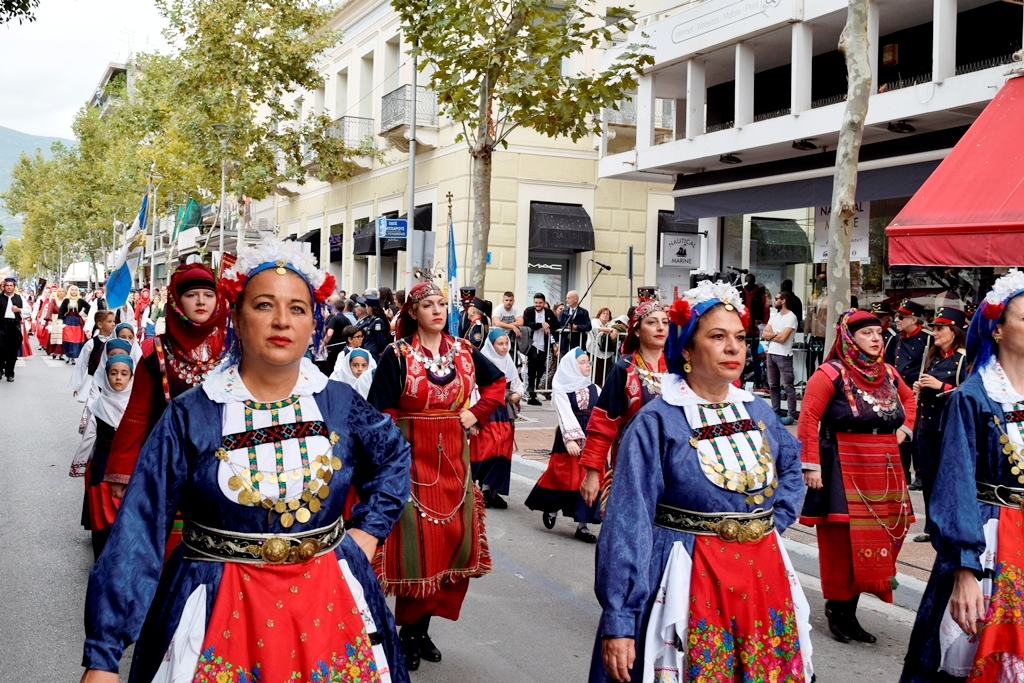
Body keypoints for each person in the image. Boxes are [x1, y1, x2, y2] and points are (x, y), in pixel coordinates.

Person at [80, 236, 412, 683]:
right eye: (263, 306)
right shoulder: (192, 414)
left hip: (330, 602)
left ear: (315, 324)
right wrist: (103, 655)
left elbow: (393, 456)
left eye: (298, 309)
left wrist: (367, 531)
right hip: (215, 603)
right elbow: (140, 524)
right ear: (235, 317)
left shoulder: (338, 403)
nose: (282, 321)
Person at [591, 279, 813, 683]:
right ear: (687, 349)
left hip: (760, 575)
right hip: (684, 574)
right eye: (717, 336)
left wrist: (768, 524)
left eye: (740, 338)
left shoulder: (757, 411)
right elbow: (628, 521)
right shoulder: (659, 421)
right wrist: (620, 618)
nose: (734, 348)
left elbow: (792, 467)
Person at [367, 280, 505, 672]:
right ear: (413, 312)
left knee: (447, 546)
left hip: (455, 466)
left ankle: (421, 630)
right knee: (417, 551)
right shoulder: (397, 354)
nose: (438, 310)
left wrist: (476, 413)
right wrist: (390, 456)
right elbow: (380, 412)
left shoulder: (464, 351)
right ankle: (406, 632)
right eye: (428, 305)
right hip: (412, 465)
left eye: (441, 304)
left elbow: (497, 384)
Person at [900, 270, 1024, 683]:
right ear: (999, 331)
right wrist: (964, 569)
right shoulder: (974, 396)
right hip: (992, 539)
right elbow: (956, 486)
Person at [798, 309, 917, 644]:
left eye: (879, 333)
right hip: (842, 466)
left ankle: (851, 608)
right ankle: (839, 610)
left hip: (885, 468)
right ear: (849, 339)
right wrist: (811, 465)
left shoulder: (889, 374)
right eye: (867, 334)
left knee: (880, 539)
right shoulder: (830, 373)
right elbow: (808, 417)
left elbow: (909, 399)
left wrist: (905, 429)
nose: (877, 339)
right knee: (842, 542)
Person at [102, 263, 229, 557]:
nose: (201, 301)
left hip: (229, 465)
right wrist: (121, 470)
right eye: (192, 295)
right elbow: (137, 415)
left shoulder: (236, 350)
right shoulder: (156, 353)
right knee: (168, 553)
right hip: (169, 466)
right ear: (176, 301)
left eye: (208, 295)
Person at [579, 290, 668, 512]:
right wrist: (592, 473)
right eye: (652, 322)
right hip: (633, 462)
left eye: (665, 322)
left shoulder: (680, 371)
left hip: (674, 465)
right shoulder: (624, 370)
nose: (660, 328)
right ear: (636, 330)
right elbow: (602, 424)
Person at [524, 348, 602, 543]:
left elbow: (601, 414)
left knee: (587, 477)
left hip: (590, 437)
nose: (587, 365)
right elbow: (564, 414)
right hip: (570, 437)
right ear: (572, 367)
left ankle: (582, 525)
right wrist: (571, 439)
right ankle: (551, 507)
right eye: (582, 362)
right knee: (564, 478)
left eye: (588, 362)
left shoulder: (596, 389)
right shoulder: (561, 390)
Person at [910, 306, 968, 545]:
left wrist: (941, 387)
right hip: (927, 427)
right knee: (930, 479)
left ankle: (952, 525)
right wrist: (919, 388)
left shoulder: (964, 358)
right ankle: (931, 526)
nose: (935, 332)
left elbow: (970, 393)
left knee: (950, 479)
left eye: (940, 328)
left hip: (950, 428)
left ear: (954, 331)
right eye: (933, 328)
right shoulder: (931, 356)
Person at [81, 341, 135, 558]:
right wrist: (81, 462)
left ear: (132, 377)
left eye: (124, 373)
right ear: (106, 375)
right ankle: (102, 560)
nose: (118, 378)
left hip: (130, 467)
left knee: (126, 515)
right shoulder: (98, 406)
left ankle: (122, 562)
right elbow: (89, 437)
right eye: (113, 373)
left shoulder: (137, 407)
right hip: (102, 464)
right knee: (102, 515)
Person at [470, 328, 524, 509]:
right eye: (500, 344)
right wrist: (476, 417)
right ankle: (484, 488)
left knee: (503, 449)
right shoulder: (483, 362)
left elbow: (518, 386)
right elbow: (475, 391)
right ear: (491, 346)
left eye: (506, 343)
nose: (504, 347)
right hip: (487, 411)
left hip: (503, 413)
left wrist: (513, 396)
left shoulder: (508, 362)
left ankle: (494, 491)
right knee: (489, 448)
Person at [886, 299, 932, 490]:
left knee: (916, 436)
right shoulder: (894, 338)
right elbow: (887, 364)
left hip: (918, 393)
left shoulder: (927, 338)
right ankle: (902, 474)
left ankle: (920, 475)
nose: (897, 320)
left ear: (914, 320)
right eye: (897, 316)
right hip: (897, 392)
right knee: (899, 435)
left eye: (902, 317)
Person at [764, 290, 800, 425]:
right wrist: (776, 335)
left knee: (788, 386)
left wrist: (772, 335)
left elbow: (783, 338)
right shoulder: (774, 316)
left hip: (784, 354)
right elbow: (765, 334)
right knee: (773, 386)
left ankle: (791, 414)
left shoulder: (791, 317)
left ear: (783, 301)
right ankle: (775, 412)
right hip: (772, 353)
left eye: (777, 298)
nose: (775, 301)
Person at [70, 310, 116, 402]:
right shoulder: (91, 344)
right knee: (92, 408)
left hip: (110, 382)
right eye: (109, 321)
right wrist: (77, 385)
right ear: (100, 325)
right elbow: (81, 364)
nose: (113, 324)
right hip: (93, 382)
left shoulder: (115, 342)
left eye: (113, 321)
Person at [525, 293, 559, 406]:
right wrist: (541, 325)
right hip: (532, 344)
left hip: (544, 344)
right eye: (536, 302)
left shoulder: (548, 312)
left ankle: (534, 394)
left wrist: (548, 325)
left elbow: (556, 324)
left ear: (544, 303)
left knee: (541, 369)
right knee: (533, 363)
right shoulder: (529, 311)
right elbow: (527, 323)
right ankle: (530, 388)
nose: (537, 305)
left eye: (540, 303)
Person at [742, 273, 769, 388]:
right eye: (747, 282)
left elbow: (765, 310)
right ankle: (740, 382)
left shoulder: (760, 294)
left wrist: (764, 326)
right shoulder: (740, 293)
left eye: (750, 282)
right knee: (741, 356)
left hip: (754, 330)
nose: (748, 284)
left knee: (756, 356)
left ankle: (757, 383)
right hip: (742, 330)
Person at [0, 277, 24, 382]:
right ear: (4, 287)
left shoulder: (19, 298)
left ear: (14, 287)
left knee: (12, 351)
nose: (9, 287)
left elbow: (29, 310)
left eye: (11, 286)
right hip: (1, 326)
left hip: (14, 327)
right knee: (0, 349)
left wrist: (18, 310)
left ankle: (10, 373)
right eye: (7, 286)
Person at [59, 285, 91, 364]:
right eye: (72, 290)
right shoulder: (66, 300)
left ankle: (73, 356)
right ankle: (68, 355)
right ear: (69, 291)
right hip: (68, 321)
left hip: (77, 321)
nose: (74, 291)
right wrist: (60, 320)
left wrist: (83, 313)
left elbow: (89, 306)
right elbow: (61, 310)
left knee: (76, 339)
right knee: (68, 338)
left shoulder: (80, 300)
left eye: (75, 290)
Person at [587, 307, 618, 387]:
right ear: (599, 314)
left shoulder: (611, 323)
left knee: (604, 373)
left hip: (606, 352)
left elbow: (616, 330)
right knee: (593, 372)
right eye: (603, 313)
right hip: (594, 351)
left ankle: (601, 389)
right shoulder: (594, 321)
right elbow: (597, 329)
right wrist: (611, 330)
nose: (605, 315)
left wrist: (613, 330)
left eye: (607, 314)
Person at [556, 291, 591, 358]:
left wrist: (577, 327)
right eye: (566, 298)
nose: (566, 300)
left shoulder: (584, 312)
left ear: (575, 299)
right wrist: (568, 328)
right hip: (564, 344)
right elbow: (559, 325)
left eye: (568, 298)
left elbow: (588, 326)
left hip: (578, 343)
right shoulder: (563, 312)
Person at [357, 296, 390, 362]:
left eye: (366, 306)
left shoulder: (378, 322)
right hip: (369, 352)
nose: (366, 309)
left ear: (370, 307)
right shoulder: (373, 320)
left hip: (374, 353)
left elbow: (380, 340)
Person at [47, 286, 66, 359]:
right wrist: (49, 319)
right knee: (55, 335)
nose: (61, 293)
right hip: (55, 318)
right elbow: (50, 309)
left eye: (62, 291)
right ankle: (55, 351)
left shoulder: (66, 300)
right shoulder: (54, 300)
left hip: (63, 319)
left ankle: (61, 353)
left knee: (62, 336)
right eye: (60, 291)